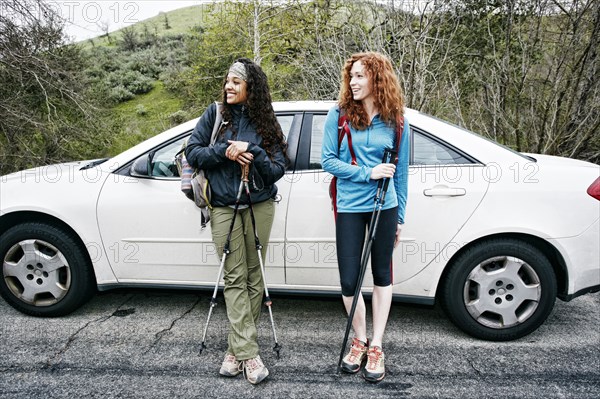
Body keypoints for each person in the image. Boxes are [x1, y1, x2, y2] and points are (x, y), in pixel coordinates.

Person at [185, 58, 287, 385]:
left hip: (259, 204)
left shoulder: (266, 122)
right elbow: (193, 153)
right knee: (233, 276)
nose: (228, 86)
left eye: (236, 82)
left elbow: (278, 170)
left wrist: (253, 151)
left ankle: (235, 349)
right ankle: (249, 354)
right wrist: (224, 152)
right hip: (224, 207)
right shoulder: (214, 114)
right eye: (227, 81)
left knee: (254, 276)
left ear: (250, 87)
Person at [321, 52, 409, 382]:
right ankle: (359, 338)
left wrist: (400, 217)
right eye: (351, 76)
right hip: (350, 208)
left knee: (382, 276)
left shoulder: (397, 120)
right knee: (349, 280)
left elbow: (401, 173)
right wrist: (367, 172)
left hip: (385, 208)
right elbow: (328, 161)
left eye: (360, 76)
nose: (353, 82)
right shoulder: (339, 115)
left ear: (377, 78)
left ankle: (377, 345)